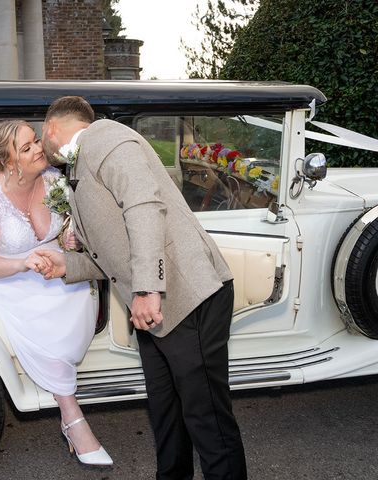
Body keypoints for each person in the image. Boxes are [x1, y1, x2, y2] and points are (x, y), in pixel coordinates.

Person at [35, 97, 247, 479]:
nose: (41, 145)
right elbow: (116, 250)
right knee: (166, 414)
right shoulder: (82, 161)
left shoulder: (106, 139)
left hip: (185, 297)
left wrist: (148, 289)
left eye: (40, 136)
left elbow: (144, 206)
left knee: (207, 417)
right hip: (153, 307)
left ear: (52, 127)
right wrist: (70, 265)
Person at [0, 119, 112, 466]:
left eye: (36, 141)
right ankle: (73, 419)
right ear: (7, 161)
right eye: (27, 147)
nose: (38, 149)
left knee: (77, 290)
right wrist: (24, 264)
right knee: (48, 314)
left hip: (50, 260)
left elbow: (63, 232)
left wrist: (70, 238)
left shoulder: (51, 180)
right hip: (10, 273)